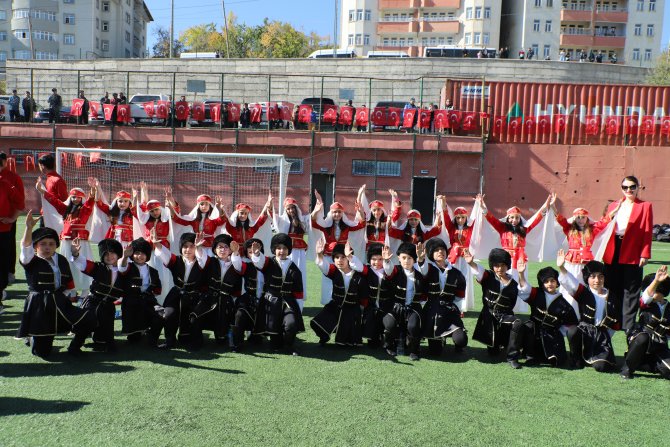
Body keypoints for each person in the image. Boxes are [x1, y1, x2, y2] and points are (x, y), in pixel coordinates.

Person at [16, 212, 94, 357]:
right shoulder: (30, 260)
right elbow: (25, 247)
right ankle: (34, 337)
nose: (47, 247)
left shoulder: (61, 259)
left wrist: (67, 298)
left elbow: (68, 282)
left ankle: (75, 347)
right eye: (43, 244)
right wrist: (28, 228)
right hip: (39, 305)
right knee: (42, 352)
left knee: (89, 318)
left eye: (51, 244)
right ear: (35, 247)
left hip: (59, 302)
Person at [602, 175, 653, 332]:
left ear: (638, 187)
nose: (629, 190)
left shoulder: (645, 206)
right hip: (613, 247)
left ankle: (628, 325)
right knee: (612, 285)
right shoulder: (614, 205)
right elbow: (604, 225)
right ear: (621, 189)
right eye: (625, 187)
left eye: (632, 187)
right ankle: (613, 320)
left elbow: (647, 231)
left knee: (631, 289)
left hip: (632, 248)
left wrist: (644, 254)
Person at [557, 250, 620, 372]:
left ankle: (597, 355)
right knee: (572, 331)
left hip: (601, 336)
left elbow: (615, 323)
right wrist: (562, 267)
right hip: (584, 330)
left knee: (602, 367)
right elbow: (571, 284)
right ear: (587, 278)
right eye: (593, 277)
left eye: (600, 276)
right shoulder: (584, 293)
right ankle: (576, 358)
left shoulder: (612, 297)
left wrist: (606, 335)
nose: (597, 280)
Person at [464, 248, 524, 369]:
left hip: (505, 316)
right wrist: (471, 263)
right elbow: (479, 271)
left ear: (507, 266)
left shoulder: (513, 283)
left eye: (503, 265)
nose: (500, 268)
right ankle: (499, 343)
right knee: (493, 352)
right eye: (496, 265)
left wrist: (521, 274)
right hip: (488, 317)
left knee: (517, 323)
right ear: (492, 266)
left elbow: (525, 291)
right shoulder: (488, 276)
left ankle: (512, 357)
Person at [37, 177, 96, 297]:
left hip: (81, 241)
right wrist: (42, 191)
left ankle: (85, 290)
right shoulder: (65, 209)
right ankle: (71, 289)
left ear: (82, 198)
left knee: (83, 263)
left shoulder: (85, 210)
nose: (75, 199)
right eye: (73, 197)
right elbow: (54, 201)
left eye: (78, 197)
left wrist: (93, 189)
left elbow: (91, 201)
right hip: (66, 240)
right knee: (67, 264)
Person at [151, 231, 209, 349]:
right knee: (169, 313)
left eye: (191, 246)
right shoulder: (176, 260)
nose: (188, 250)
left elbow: (203, 258)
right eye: (185, 246)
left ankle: (192, 339)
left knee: (193, 318)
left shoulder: (202, 261)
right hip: (176, 294)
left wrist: (198, 247)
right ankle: (169, 340)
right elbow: (164, 254)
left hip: (195, 296)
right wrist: (157, 245)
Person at [250, 233, 304, 355]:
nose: (282, 251)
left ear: (289, 250)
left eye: (285, 248)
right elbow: (259, 263)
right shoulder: (269, 262)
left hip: (288, 302)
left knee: (291, 324)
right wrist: (257, 254)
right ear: (274, 249)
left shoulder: (294, 268)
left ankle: (290, 345)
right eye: (279, 248)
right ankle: (277, 341)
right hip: (271, 300)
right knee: (274, 341)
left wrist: (298, 309)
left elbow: (299, 291)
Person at [517, 261, 578, 367]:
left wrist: (559, 332)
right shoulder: (536, 294)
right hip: (535, 333)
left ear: (557, 282)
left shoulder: (563, 303)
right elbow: (524, 289)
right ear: (541, 283)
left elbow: (571, 322)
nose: (550, 284)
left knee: (557, 361)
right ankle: (529, 355)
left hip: (552, 335)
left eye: (552, 281)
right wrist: (521, 274)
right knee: (528, 326)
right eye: (546, 281)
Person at [70, 237, 125, 352]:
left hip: (109, 305)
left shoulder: (124, 271)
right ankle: (75, 346)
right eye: (106, 255)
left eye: (112, 254)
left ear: (119, 254)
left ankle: (107, 343)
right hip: (93, 302)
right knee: (87, 323)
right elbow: (84, 263)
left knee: (106, 329)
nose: (109, 257)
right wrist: (75, 254)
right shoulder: (98, 267)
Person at [191, 234, 244, 349]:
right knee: (195, 315)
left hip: (226, 301)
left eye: (226, 247)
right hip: (209, 298)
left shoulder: (236, 262)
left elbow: (238, 265)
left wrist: (235, 253)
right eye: (220, 247)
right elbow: (201, 258)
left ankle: (223, 337)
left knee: (221, 337)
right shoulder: (210, 261)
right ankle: (197, 341)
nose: (223, 250)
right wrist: (198, 248)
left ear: (230, 250)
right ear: (215, 249)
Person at [312, 240, 368, 347]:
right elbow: (323, 266)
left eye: (343, 257)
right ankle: (324, 335)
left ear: (349, 258)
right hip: (335, 306)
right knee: (316, 323)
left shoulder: (359, 274)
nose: (339, 260)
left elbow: (364, 295)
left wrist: (360, 311)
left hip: (352, 309)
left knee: (348, 343)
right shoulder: (334, 271)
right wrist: (319, 254)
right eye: (337, 257)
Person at [418, 238, 467, 357]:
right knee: (435, 352)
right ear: (431, 254)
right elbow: (422, 270)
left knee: (461, 340)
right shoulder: (428, 269)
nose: (440, 252)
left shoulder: (456, 273)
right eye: (436, 250)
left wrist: (456, 310)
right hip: (432, 310)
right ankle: (439, 338)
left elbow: (459, 297)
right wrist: (420, 259)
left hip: (449, 310)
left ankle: (451, 336)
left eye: (442, 249)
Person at [621, 267, 670, 380]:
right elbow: (646, 297)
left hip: (659, 345)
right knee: (643, 338)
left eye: (656, 290)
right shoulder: (645, 303)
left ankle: (648, 364)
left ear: (663, 292)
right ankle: (627, 368)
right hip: (641, 338)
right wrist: (656, 281)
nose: (651, 293)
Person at [381, 242, 426, 360]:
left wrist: (421, 259)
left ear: (414, 260)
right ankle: (389, 345)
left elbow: (425, 270)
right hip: (395, 306)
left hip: (412, 308)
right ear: (399, 258)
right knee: (389, 324)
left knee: (413, 326)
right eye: (404, 257)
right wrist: (386, 261)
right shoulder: (396, 270)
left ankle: (414, 350)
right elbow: (389, 271)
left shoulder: (419, 274)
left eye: (410, 258)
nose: (406, 261)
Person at [118, 238, 164, 346]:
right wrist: (124, 257)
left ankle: (152, 336)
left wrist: (148, 295)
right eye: (137, 253)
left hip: (148, 300)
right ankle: (139, 332)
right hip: (131, 302)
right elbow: (121, 268)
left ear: (147, 255)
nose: (140, 256)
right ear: (132, 254)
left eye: (143, 253)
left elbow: (157, 289)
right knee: (134, 339)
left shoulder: (153, 271)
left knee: (161, 314)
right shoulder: (128, 267)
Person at [273, 197, 310, 309]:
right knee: (288, 272)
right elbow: (274, 218)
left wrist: (318, 208)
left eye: (292, 208)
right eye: (288, 209)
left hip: (300, 251)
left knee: (300, 272)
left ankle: (299, 299)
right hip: (288, 250)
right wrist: (270, 206)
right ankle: (285, 297)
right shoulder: (283, 220)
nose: (291, 211)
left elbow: (311, 221)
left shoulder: (302, 219)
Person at [440, 196, 475, 311]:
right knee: (452, 279)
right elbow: (445, 216)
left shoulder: (470, 228)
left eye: (463, 217)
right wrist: (444, 202)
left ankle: (461, 307)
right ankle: (449, 303)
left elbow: (478, 219)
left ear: (466, 218)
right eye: (458, 217)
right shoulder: (451, 227)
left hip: (465, 257)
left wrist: (479, 205)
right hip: (453, 257)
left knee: (464, 280)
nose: (460, 220)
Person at [0, 152, 25, 289]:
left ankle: (9, 273)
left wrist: (12, 217)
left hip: (7, 221)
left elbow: (20, 200)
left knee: (8, 247)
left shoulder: (12, 178)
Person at [357, 243, 390, 347]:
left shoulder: (389, 271)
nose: (377, 262)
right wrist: (350, 257)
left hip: (386, 305)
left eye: (380, 259)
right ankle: (372, 337)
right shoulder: (367, 270)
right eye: (374, 259)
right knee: (373, 343)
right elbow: (356, 265)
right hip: (370, 305)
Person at [0, 168, 23, 313]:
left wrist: (12, 219)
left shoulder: (5, 184)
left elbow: (20, 204)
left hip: (2, 231)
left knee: (1, 264)